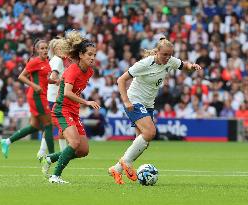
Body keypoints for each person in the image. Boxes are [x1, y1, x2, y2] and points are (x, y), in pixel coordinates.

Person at [108, 38, 202, 184]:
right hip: (135, 100)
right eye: (164, 54)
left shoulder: (170, 61)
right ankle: (126, 162)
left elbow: (183, 65)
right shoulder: (144, 64)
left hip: (148, 104)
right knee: (150, 132)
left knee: (143, 141)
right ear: (157, 52)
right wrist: (126, 101)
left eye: (170, 55)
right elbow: (121, 80)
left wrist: (192, 66)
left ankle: (117, 169)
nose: (167, 58)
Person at [41, 31, 100, 184]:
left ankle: (49, 158)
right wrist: (86, 102)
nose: (92, 57)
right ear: (81, 55)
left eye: (94, 54)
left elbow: (67, 84)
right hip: (61, 109)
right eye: (89, 54)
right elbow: (67, 93)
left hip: (73, 111)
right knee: (74, 143)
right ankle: (55, 176)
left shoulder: (89, 71)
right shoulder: (73, 69)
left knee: (83, 150)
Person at [0, 39, 57, 159]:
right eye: (42, 48)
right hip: (36, 96)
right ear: (37, 50)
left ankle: (7, 142)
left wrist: (55, 81)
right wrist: (34, 85)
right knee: (48, 124)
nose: (45, 50)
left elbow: (44, 79)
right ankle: (51, 156)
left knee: (35, 126)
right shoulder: (34, 61)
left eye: (46, 48)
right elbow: (21, 76)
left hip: (41, 95)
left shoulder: (47, 61)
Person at [36, 37, 72, 160]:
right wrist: (59, 80)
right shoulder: (57, 61)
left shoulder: (54, 60)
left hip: (51, 97)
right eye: (63, 48)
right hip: (54, 98)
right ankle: (61, 152)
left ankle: (42, 151)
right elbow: (53, 76)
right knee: (61, 124)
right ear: (57, 49)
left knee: (51, 125)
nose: (66, 51)